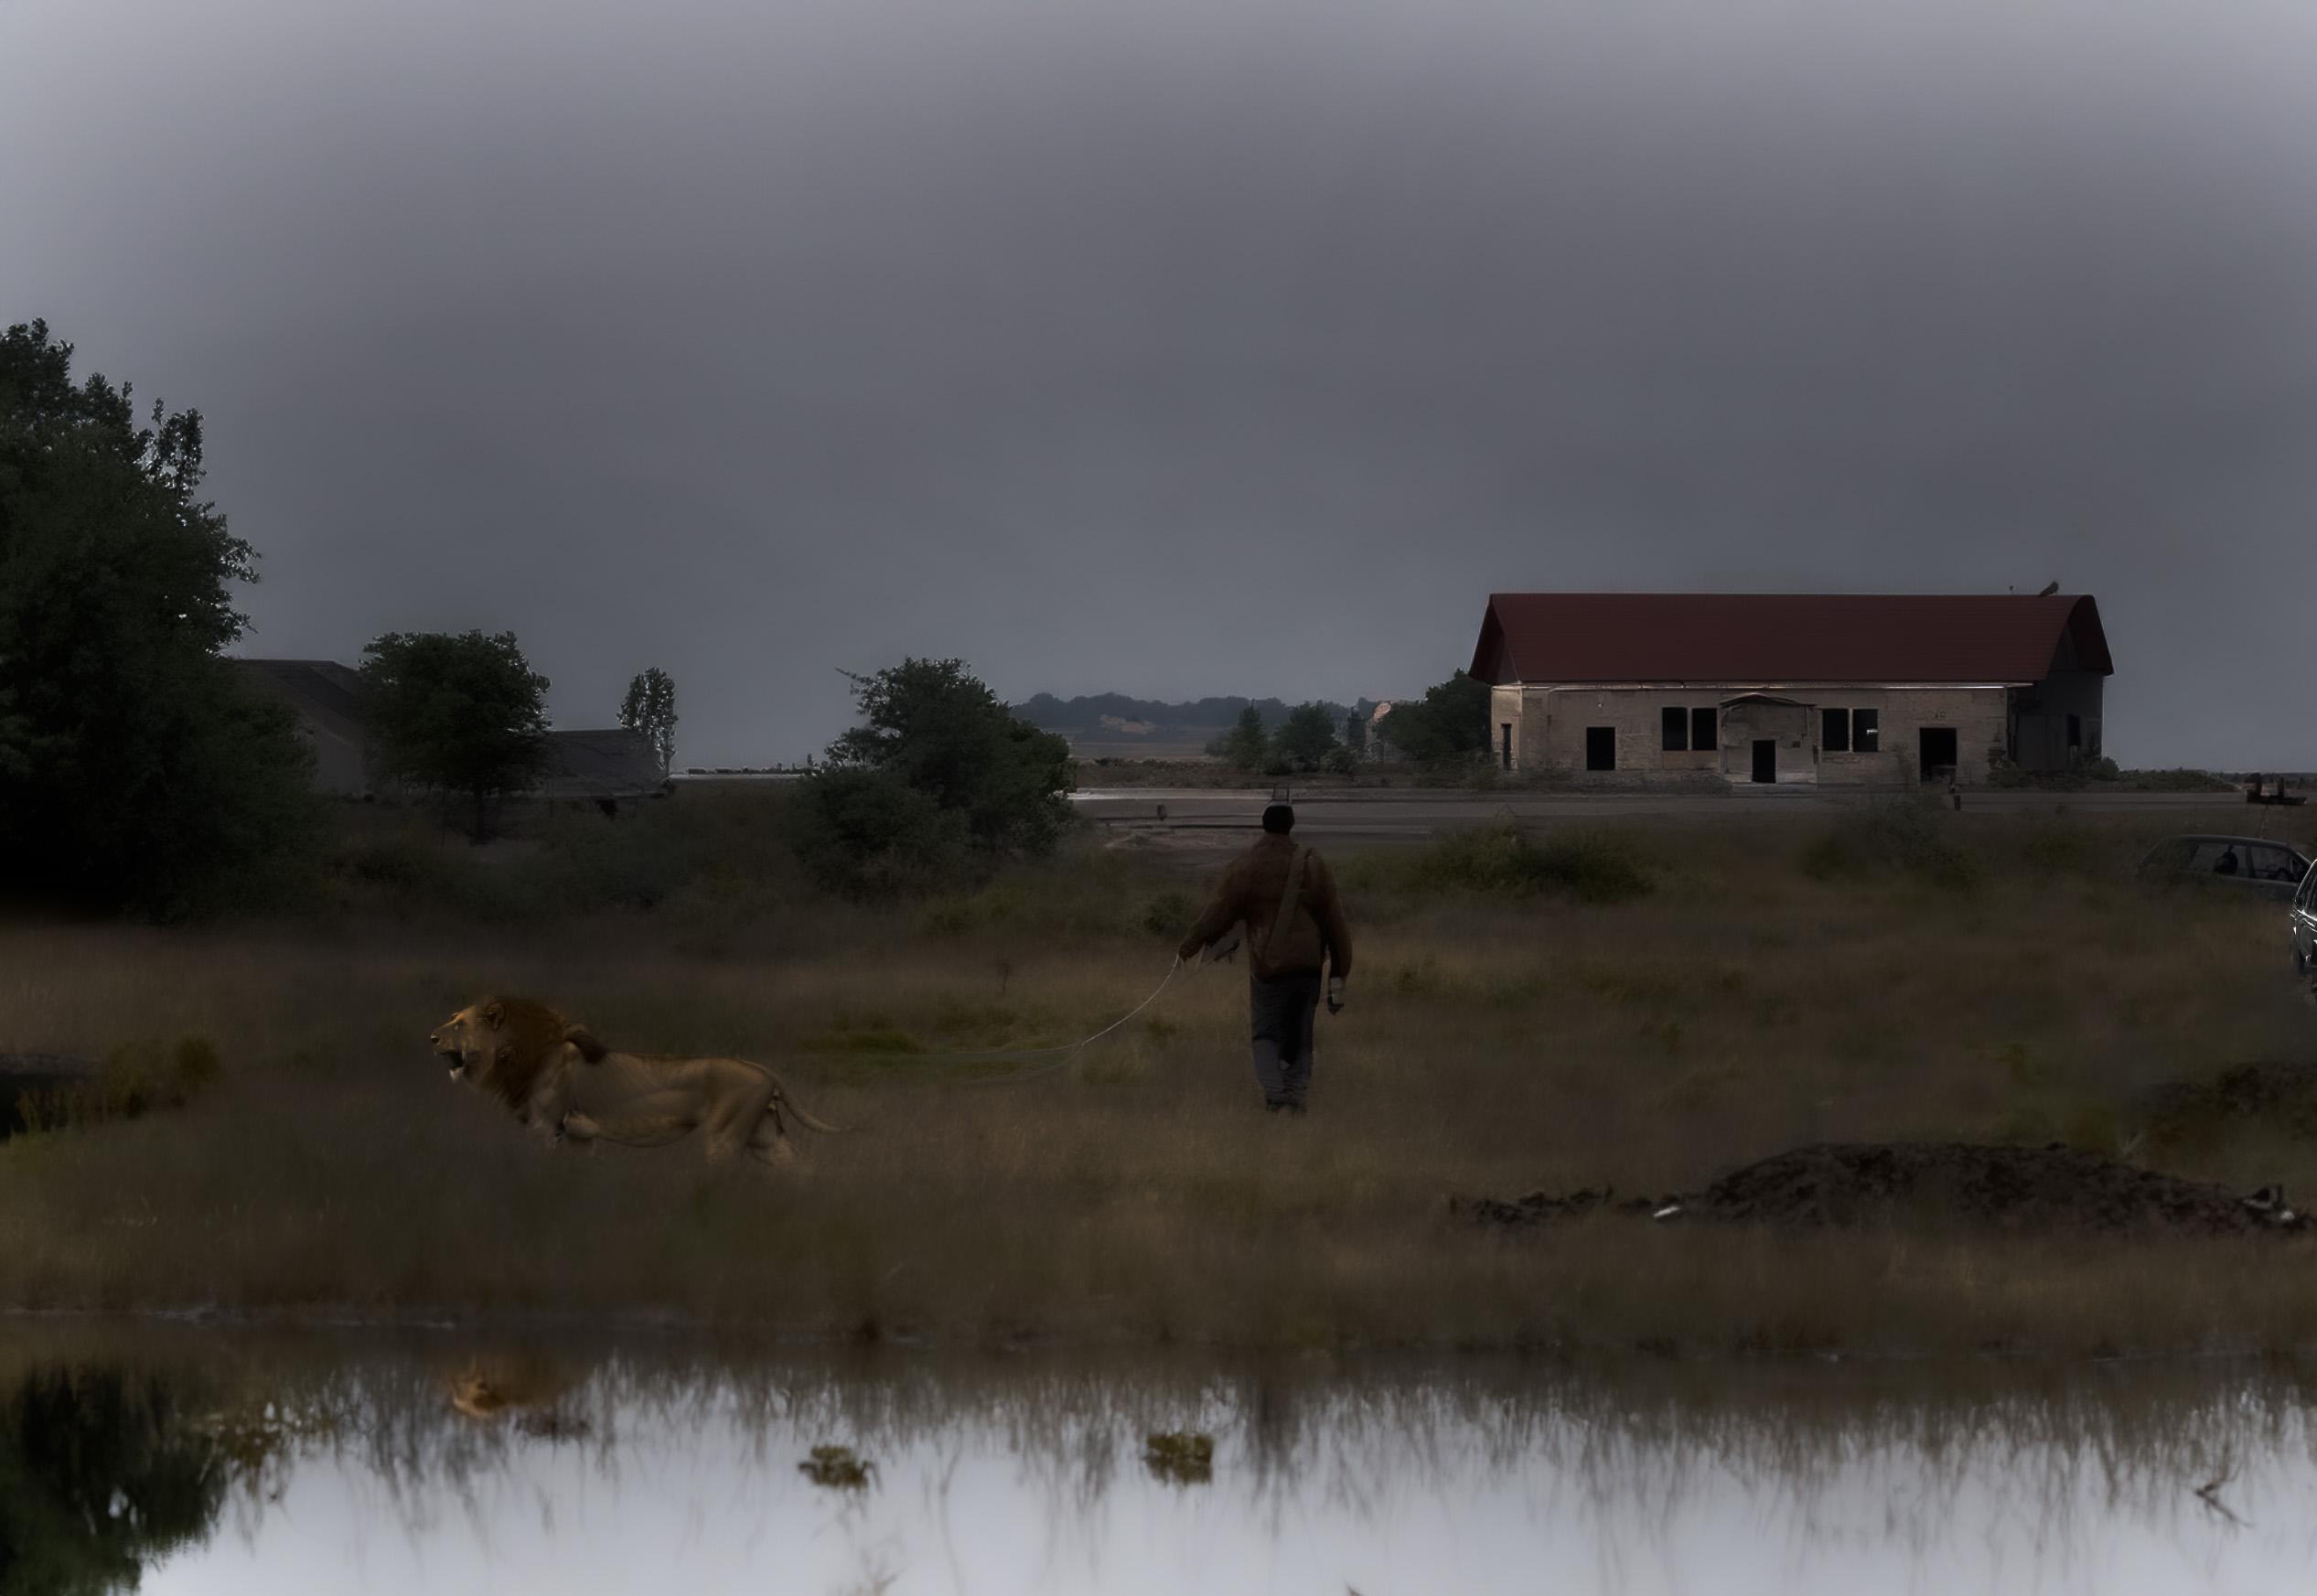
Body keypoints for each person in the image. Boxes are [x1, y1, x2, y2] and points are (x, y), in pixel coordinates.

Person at [1177, 803, 1353, 1113]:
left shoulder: (1246, 867)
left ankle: (1275, 1098)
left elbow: (1216, 916)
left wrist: (1189, 945)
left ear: (1263, 826)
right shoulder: (1314, 866)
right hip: (1309, 968)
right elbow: (1336, 925)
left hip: (1268, 968)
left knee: (1266, 1034)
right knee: (1301, 1034)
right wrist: (1338, 975)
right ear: (1291, 825)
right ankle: (1296, 1098)